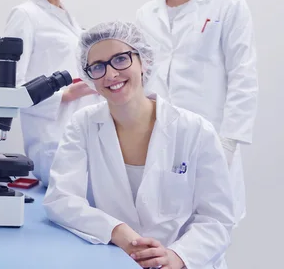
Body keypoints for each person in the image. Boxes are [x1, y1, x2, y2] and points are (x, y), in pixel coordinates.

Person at [43, 21, 235, 269]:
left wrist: (177, 256)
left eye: (121, 59)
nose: (111, 74)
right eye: (98, 67)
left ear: (143, 61)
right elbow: (61, 198)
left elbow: (217, 218)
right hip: (117, 259)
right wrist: (118, 231)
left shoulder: (195, 130)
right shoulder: (83, 125)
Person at [136, 0, 258, 223]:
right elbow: (142, 78)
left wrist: (229, 141)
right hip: (160, 138)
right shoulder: (145, 15)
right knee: (162, 228)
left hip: (213, 136)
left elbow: (243, 75)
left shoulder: (227, 4)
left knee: (211, 228)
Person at [4, 0, 100, 186]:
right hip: (50, 138)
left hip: (78, 130)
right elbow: (11, 88)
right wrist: (65, 95)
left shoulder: (67, 18)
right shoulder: (25, 15)